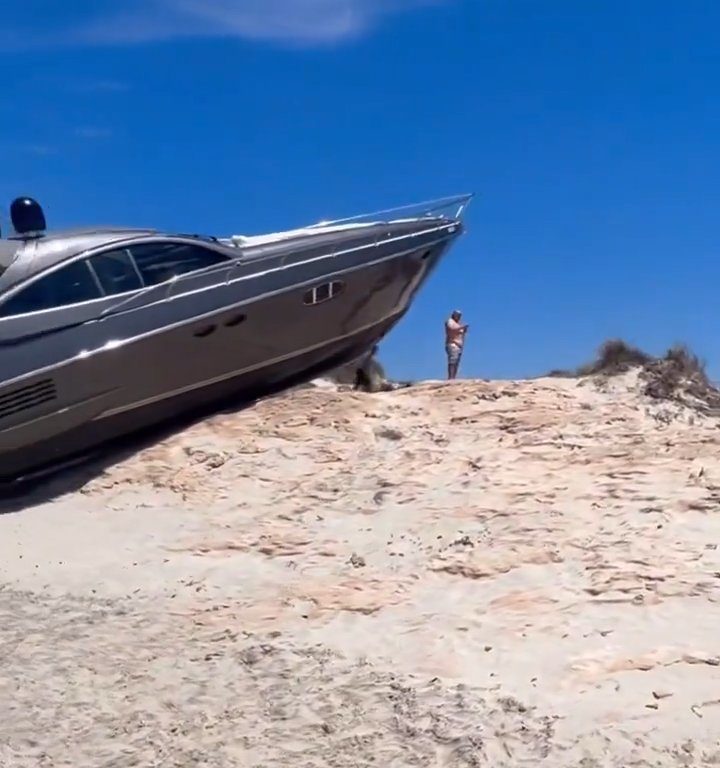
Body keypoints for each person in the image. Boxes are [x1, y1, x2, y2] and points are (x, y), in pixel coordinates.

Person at [445, 310, 469, 379]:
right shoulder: (450, 321)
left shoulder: (458, 323)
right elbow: (452, 329)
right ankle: (450, 377)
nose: (459, 317)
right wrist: (462, 327)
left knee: (456, 362)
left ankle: (454, 377)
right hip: (452, 343)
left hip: (458, 345)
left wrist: (464, 330)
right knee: (452, 360)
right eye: (457, 315)